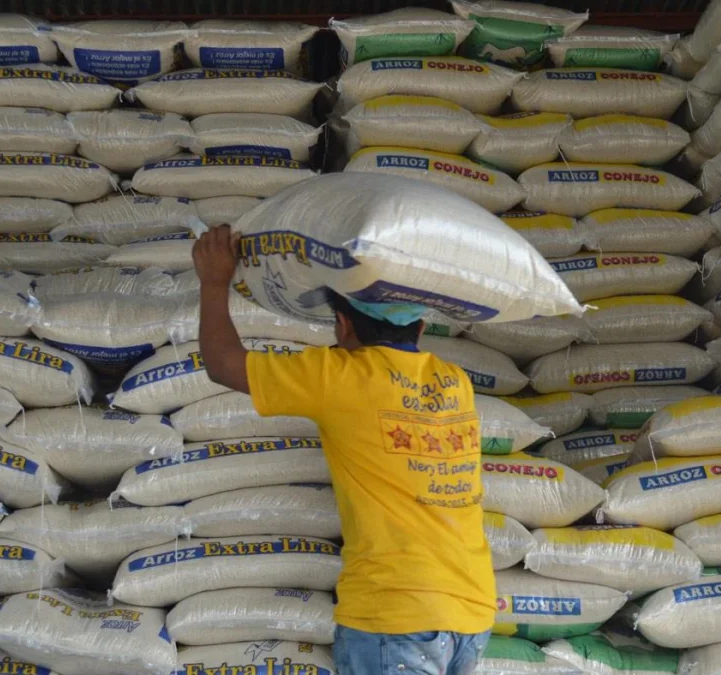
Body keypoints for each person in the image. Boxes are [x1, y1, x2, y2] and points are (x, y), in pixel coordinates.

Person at [192, 225, 496, 675]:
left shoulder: (340, 376)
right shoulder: (455, 382)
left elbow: (222, 365)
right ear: (421, 323)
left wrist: (214, 282)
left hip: (393, 615)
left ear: (342, 323)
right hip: (472, 611)